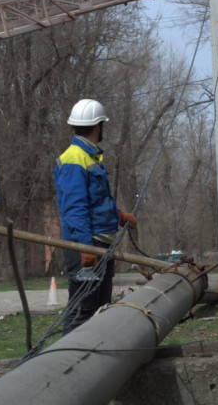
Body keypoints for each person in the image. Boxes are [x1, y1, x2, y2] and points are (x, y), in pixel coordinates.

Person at [54, 98, 137, 333]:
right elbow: (74, 209)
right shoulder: (74, 158)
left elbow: (95, 202)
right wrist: (86, 248)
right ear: (99, 125)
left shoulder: (90, 156)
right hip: (87, 246)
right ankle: (68, 361)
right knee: (83, 311)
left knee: (101, 310)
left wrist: (119, 216)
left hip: (100, 245)